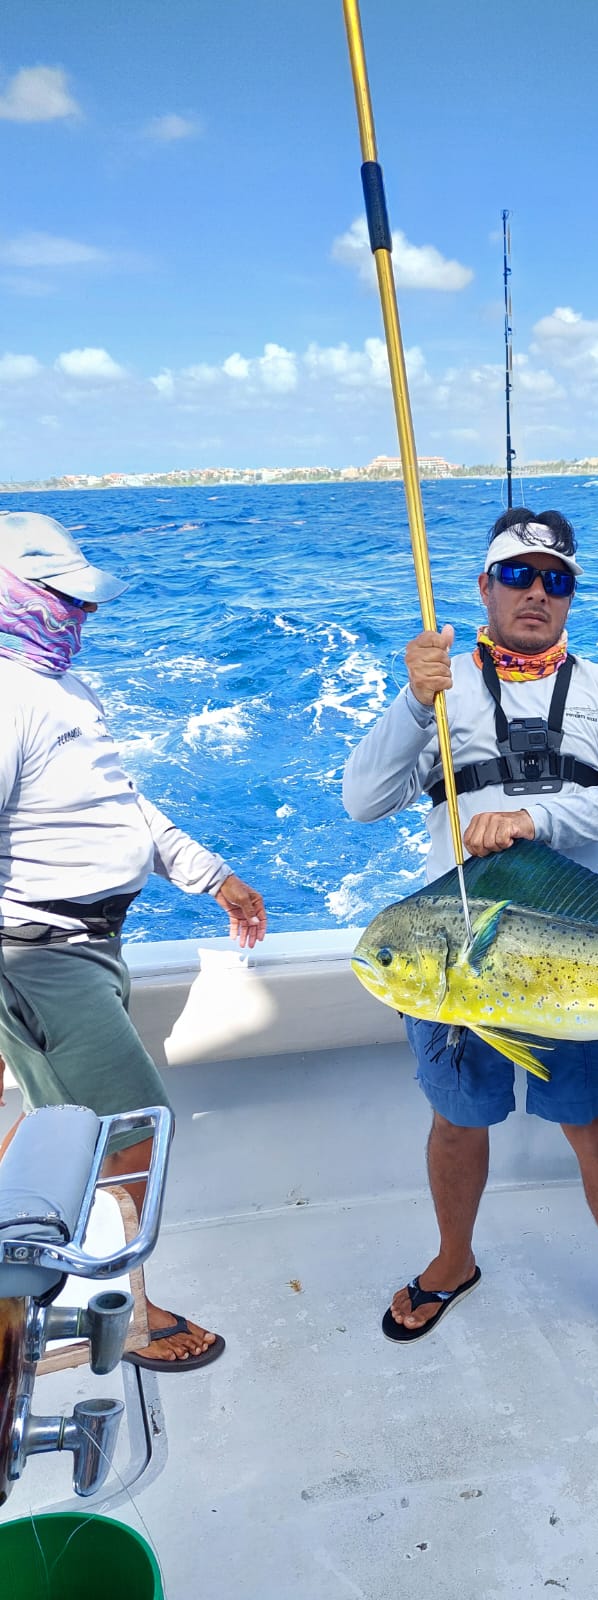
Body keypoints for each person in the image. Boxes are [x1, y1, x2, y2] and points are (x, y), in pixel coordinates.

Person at [342, 507, 598, 1392]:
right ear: (484, 588)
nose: (537, 593)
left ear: (572, 596)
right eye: (518, 576)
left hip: (582, 958)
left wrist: (538, 816)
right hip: (459, 956)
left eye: (555, 579)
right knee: (458, 1119)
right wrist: (414, 700)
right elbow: (363, 799)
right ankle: (454, 1260)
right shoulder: (441, 690)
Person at [0, 511, 267, 1370]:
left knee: (56, 1127)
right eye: (60, 599)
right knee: (128, 1137)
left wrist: (211, 874)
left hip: (91, 952)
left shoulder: (63, 691)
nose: (80, 616)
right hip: (43, 959)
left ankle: (36, 1310)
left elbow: (124, 808)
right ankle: (124, 1320)